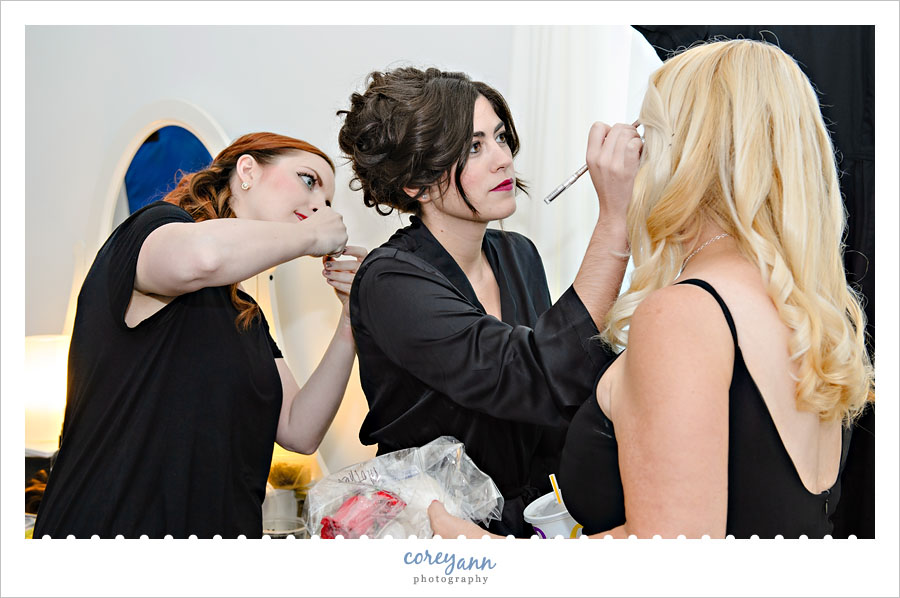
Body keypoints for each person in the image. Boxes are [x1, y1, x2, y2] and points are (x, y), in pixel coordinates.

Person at [428, 39, 875, 539]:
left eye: (649, 132)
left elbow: (668, 558)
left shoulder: (686, 313)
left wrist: (494, 556)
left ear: (684, 153)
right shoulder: (803, 307)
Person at [337, 67, 641, 537]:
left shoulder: (518, 254)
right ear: (416, 181)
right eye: (473, 147)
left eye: (500, 137)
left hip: (533, 521)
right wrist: (615, 218)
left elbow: (567, 384)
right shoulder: (390, 281)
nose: (503, 159)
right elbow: (533, 375)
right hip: (440, 536)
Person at [34, 132, 368, 539]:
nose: (320, 205)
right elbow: (202, 257)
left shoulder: (245, 314)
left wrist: (352, 319)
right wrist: (313, 235)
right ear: (247, 170)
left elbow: (301, 430)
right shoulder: (152, 229)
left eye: (329, 202)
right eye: (309, 180)